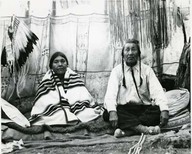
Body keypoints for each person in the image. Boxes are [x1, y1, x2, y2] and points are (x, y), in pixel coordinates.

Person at [103, 39, 169, 137]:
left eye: (133, 49)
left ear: (138, 53)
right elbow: (110, 94)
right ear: (123, 54)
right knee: (107, 113)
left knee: (158, 111)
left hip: (143, 109)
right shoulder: (116, 71)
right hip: (124, 110)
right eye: (127, 50)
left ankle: (128, 131)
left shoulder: (147, 70)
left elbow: (158, 91)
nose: (130, 53)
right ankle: (145, 129)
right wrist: (113, 112)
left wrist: (164, 110)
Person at [29, 51, 102, 125]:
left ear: (67, 64)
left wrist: (75, 105)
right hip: (57, 108)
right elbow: (44, 100)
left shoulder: (74, 77)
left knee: (85, 114)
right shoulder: (47, 80)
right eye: (56, 62)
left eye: (63, 61)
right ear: (51, 66)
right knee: (59, 116)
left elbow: (82, 95)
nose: (60, 64)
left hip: (76, 107)